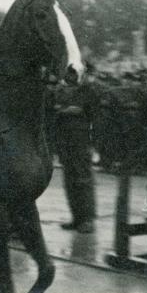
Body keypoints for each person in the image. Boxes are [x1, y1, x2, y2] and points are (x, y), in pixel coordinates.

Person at [51, 76, 97, 233]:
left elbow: (91, 111)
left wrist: (67, 110)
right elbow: (55, 108)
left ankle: (87, 219)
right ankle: (77, 217)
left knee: (82, 177)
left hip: (80, 137)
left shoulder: (86, 88)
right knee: (69, 178)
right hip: (64, 137)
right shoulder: (60, 89)